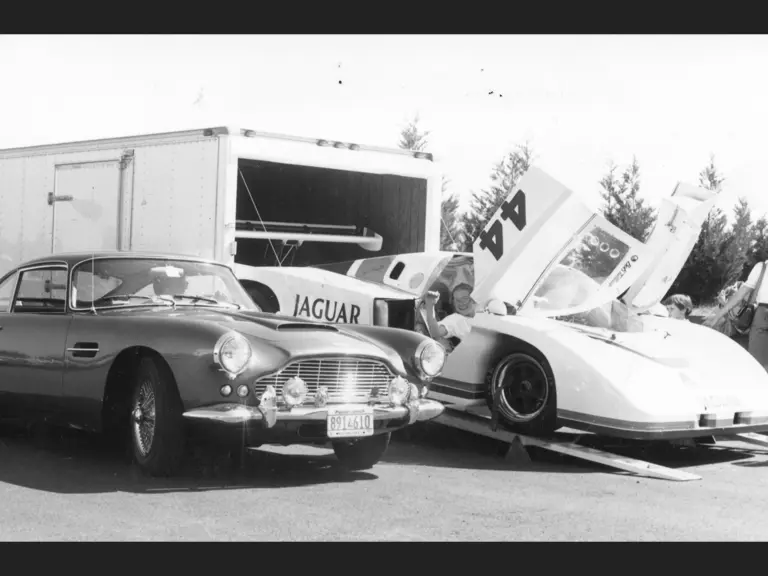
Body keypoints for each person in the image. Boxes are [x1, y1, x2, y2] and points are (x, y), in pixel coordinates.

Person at [705, 259, 768, 368]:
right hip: (762, 316)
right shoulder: (762, 266)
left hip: (763, 315)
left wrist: (718, 315)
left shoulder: (762, 267)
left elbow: (741, 294)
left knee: (757, 365)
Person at [422, 283, 477, 352]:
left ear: (474, 298)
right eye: (457, 300)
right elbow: (435, 332)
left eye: (464, 299)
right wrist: (430, 305)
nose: (461, 303)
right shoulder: (455, 320)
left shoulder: (487, 310)